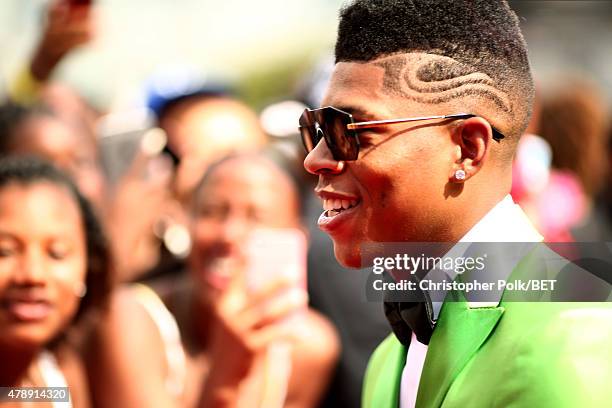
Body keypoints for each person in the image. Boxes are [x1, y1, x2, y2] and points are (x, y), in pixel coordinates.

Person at [300, 1, 612, 407]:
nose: (315, 159)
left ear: (467, 148)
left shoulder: (574, 342)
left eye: (348, 130)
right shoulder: (389, 357)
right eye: (316, 130)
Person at [87, 152, 339, 407]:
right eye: (213, 212)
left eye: (256, 217)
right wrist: (226, 374)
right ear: (187, 221)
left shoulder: (307, 348)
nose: (229, 234)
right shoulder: (130, 318)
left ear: (297, 239)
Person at [0, 157, 111, 407]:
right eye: (4, 251)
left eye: (57, 253)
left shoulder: (58, 377)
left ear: (88, 266)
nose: (32, 275)